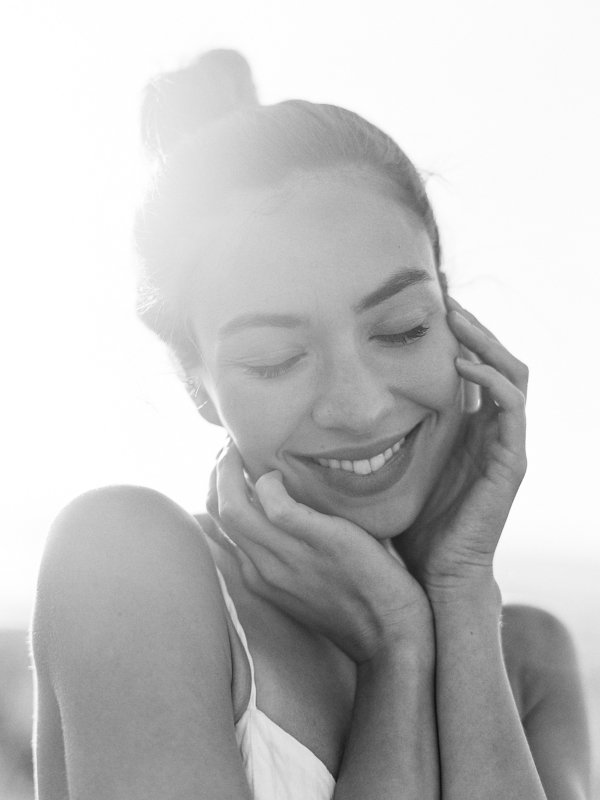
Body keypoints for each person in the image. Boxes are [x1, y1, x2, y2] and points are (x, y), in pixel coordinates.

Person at [31, 49, 590, 800]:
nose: (359, 406)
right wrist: (395, 650)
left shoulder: (526, 657)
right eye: (275, 360)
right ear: (198, 383)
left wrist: (457, 596)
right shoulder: (129, 567)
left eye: (400, 329)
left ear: (454, 316)